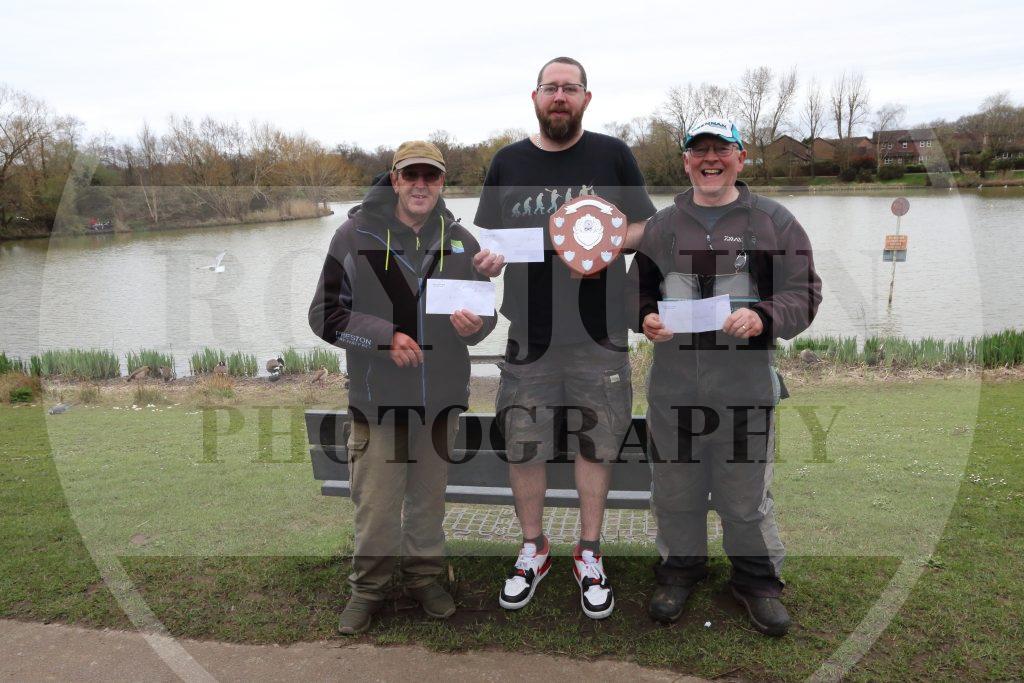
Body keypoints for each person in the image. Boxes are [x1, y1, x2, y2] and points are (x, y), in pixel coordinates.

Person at [474, 57, 657, 619]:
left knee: (596, 444)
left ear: (586, 98)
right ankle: (534, 548)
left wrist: (601, 246)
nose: (560, 96)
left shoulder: (613, 154)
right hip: (530, 334)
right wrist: (485, 261)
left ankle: (589, 551)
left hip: (600, 334)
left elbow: (646, 228)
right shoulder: (507, 161)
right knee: (524, 443)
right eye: (550, 88)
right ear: (535, 97)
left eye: (570, 88)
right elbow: (489, 240)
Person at [627, 117, 822, 636]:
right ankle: (680, 571)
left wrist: (764, 316)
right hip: (673, 389)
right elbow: (634, 292)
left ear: (740, 157)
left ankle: (756, 582)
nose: (709, 159)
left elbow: (805, 293)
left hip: (745, 389)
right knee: (674, 491)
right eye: (699, 150)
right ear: (685, 161)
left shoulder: (774, 222)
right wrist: (644, 317)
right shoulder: (662, 227)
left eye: (721, 149)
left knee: (744, 497)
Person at [309, 140, 496, 635]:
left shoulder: (461, 240)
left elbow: (485, 317)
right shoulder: (354, 235)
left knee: (428, 504)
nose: (420, 185)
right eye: (410, 175)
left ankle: (425, 579)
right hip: (378, 404)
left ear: (442, 182)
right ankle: (368, 589)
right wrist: (383, 338)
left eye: (430, 176)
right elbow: (324, 315)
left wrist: (474, 327)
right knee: (376, 506)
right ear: (394, 179)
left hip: (440, 403)